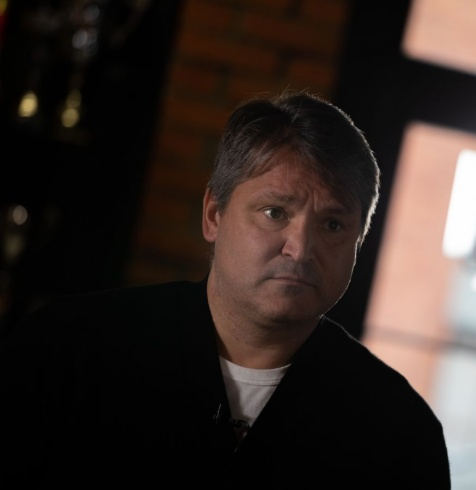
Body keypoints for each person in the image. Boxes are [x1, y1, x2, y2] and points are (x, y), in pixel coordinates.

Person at [0, 90, 451, 488]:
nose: (300, 249)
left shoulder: (399, 431)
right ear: (214, 215)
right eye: (275, 213)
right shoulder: (69, 347)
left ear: (359, 242)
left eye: (333, 225)